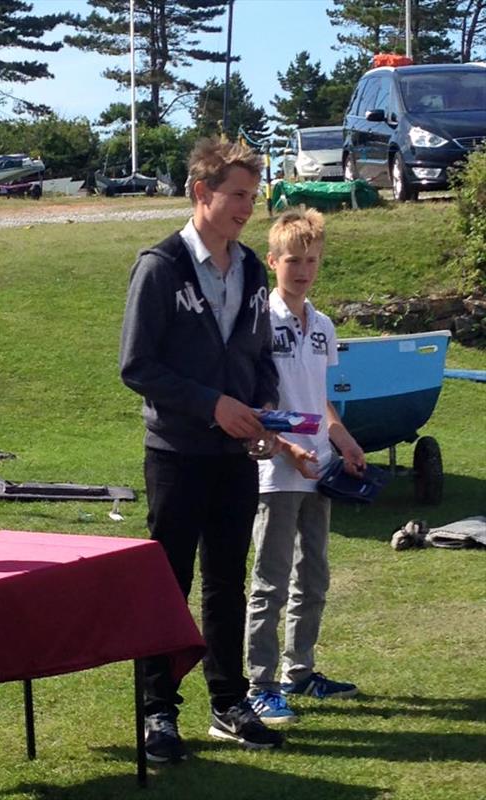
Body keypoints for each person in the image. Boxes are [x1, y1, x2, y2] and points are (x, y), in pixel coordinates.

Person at [120, 137, 284, 762]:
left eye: (253, 195)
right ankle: (157, 711)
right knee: (168, 583)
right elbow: (137, 365)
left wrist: (263, 412)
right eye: (238, 195)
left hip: (234, 459)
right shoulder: (159, 266)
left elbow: (259, 359)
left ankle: (228, 701)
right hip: (177, 454)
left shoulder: (251, 270)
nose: (249, 207)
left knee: (226, 584)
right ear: (202, 192)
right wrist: (211, 404)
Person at [246, 208, 366, 725]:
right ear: (273, 261)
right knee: (270, 582)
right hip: (276, 470)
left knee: (314, 577)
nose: (303, 269)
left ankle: (301, 672)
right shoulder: (257, 322)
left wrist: (343, 438)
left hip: (321, 469)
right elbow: (251, 403)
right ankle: (259, 684)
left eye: (312, 260)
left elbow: (321, 401)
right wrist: (286, 447)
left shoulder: (322, 324)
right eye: (293, 260)